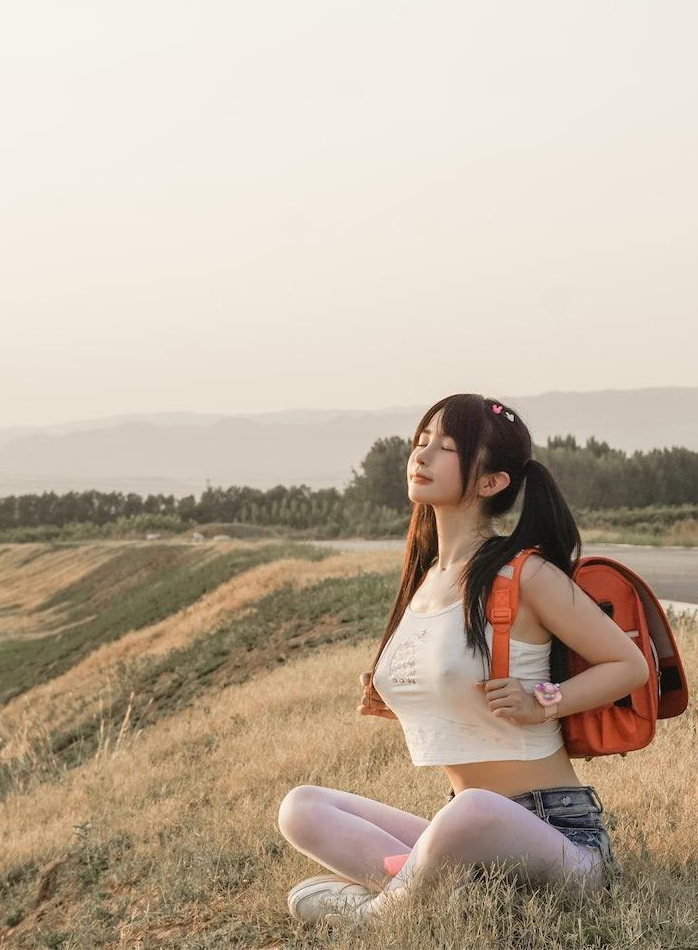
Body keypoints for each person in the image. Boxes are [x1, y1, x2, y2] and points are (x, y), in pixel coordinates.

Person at [275, 393, 649, 929]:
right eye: (420, 442)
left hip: (556, 838)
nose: (420, 456)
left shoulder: (526, 576)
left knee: (472, 809)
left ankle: (377, 915)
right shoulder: (425, 581)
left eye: (444, 447)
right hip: (467, 836)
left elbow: (629, 665)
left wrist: (545, 702)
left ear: (491, 482)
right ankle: (442, 893)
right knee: (302, 807)